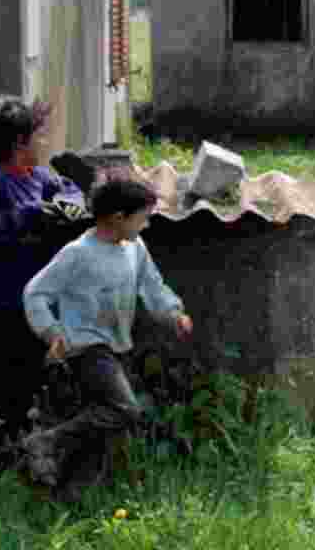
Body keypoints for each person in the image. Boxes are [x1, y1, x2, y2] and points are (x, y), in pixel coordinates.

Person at [21, 178, 193, 501]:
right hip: (86, 346)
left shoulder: (134, 249)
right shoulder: (77, 254)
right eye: (142, 217)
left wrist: (173, 313)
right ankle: (46, 442)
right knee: (124, 409)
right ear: (118, 218)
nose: (147, 224)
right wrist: (52, 332)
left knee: (104, 426)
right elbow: (36, 292)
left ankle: (69, 494)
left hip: (118, 345)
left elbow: (152, 286)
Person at [0, 95, 85, 468]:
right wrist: (31, 214)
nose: (44, 144)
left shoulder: (42, 177)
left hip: (37, 301)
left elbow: (70, 190)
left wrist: (68, 200)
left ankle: (20, 438)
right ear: (19, 144)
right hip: (1, 299)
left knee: (30, 371)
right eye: (38, 137)